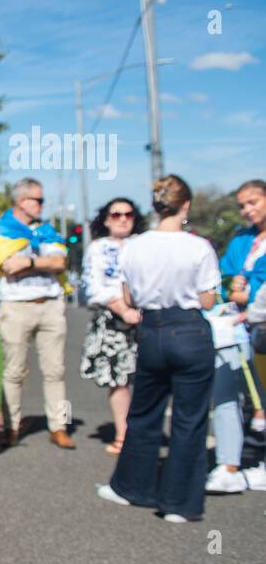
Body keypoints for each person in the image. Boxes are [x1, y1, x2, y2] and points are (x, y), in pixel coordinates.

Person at [96, 175, 218, 523]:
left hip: (151, 330)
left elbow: (130, 297)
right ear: (186, 205)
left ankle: (133, 487)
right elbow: (208, 299)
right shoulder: (199, 247)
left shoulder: (134, 246)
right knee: (189, 419)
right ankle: (178, 503)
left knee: (145, 413)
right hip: (190, 330)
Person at [0, 178, 74, 449]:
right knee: (14, 371)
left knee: (55, 371)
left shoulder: (47, 231)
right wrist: (41, 264)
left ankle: (58, 427)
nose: (42, 205)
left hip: (49, 305)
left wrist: (30, 262)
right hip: (16, 307)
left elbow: (60, 262)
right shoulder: (1, 230)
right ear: (22, 201)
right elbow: (7, 266)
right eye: (38, 200)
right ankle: (10, 427)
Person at [205, 179, 266, 493]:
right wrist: (233, 294)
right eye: (242, 205)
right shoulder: (242, 239)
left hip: (260, 326)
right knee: (225, 393)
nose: (247, 210)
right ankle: (228, 464)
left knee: (262, 400)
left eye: (253, 202)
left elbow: (250, 290)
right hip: (235, 329)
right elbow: (222, 278)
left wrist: (248, 294)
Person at [79, 198, 145, 455]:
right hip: (113, 322)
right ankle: (123, 434)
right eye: (116, 214)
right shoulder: (98, 248)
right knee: (119, 380)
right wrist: (123, 309)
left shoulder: (144, 244)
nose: (122, 219)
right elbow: (93, 287)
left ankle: (144, 433)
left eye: (128, 214)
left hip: (146, 318)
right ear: (106, 219)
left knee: (150, 379)